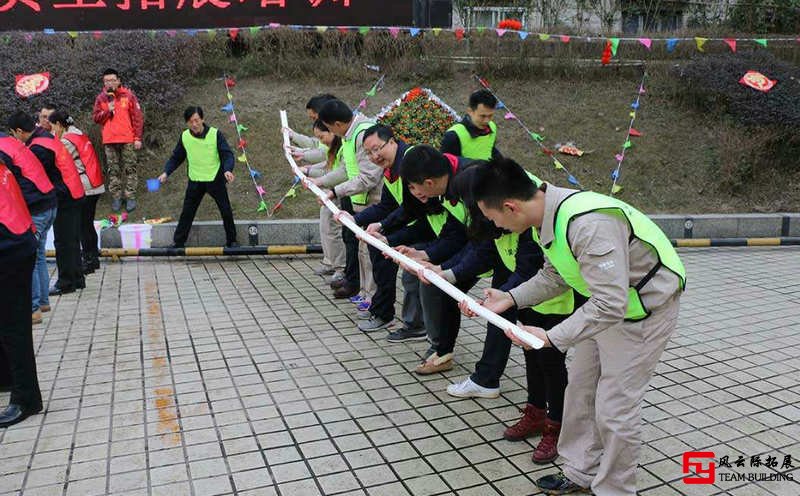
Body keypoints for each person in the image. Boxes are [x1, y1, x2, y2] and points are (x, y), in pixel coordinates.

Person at [467, 159, 685, 496]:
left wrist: (551, 337)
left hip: (642, 312)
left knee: (614, 406)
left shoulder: (588, 223)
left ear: (510, 207)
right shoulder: (546, 219)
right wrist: (509, 298)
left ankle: (614, 489)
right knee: (580, 391)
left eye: (492, 217)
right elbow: (555, 275)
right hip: (603, 309)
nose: (494, 225)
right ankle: (581, 472)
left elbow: (611, 303)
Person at [337, 125, 433, 336]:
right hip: (411, 223)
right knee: (379, 254)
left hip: (427, 226)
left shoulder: (411, 163)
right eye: (369, 152)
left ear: (392, 141)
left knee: (412, 277)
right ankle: (383, 313)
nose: (374, 156)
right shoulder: (390, 169)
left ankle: (416, 326)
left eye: (377, 149)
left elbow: (410, 209)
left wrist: (384, 229)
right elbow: (387, 206)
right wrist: (355, 219)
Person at [394, 146, 480, 374]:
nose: (413, 193)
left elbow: (483, 243)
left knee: (504, 315)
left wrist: (443, 269)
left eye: (413, 186)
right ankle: (442, 353)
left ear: (428, 183)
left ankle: (487, 378)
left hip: (515, 253)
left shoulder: (471, 182)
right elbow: (457, 230)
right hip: (488, 248)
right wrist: (423, 256)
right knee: (441, 287)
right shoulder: (449, 185)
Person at [8, 111, 85, 296]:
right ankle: (77, 278)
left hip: (64, 193)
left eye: (12, 134)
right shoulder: (44, 136)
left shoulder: (37, 148)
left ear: (19, 131)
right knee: (72, 238)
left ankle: (66, 281)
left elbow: (36, 176)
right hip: (73, 188)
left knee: (63, 241)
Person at [312, 100, 382, 300]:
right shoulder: (349, 136)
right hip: (358, 200)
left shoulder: (363, 135)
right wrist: (326, 184)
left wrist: (335, 191)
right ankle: (365, 293)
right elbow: (346, 168)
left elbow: (369, 177)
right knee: (361, 251)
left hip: (373, 202)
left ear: (335, 125)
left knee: (369, 254)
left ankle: (372, 299)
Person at [0, 160, 43, 428]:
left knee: (13, 327)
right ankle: (6, 379)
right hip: (18, 237)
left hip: (10, 247)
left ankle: (26, 398)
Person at [158, 106, 238, 249]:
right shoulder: (185, 137)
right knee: (187, 212)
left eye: (196, 120)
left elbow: (227, 154)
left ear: (202, 119)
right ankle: (178, 242)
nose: (194, 124)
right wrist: (166, 173)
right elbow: (176, 157)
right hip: (195, 180)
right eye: (190, 122)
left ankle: (232, 241)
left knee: (225, 210)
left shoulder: (215, 134)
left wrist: (227, 170)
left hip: (215, 178)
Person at [0, 129, 57, 324]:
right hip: (48, 201)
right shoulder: (13, 144)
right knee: (39, 255)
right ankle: (42, 302)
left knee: (31, 259)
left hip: (32, 208)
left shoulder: (3, 152)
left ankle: (33, 308)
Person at [48, 110, 105, 275]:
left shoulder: (66, 141)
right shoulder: (79, 134)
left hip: (85, 185)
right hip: (95, 183)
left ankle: (89, 259)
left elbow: (58, 160)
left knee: (82, 225)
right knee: (87, 224)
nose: (53, 131)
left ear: (59, 124)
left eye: (53, 127)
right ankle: (93, 258)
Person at [297, 118, 346, 281]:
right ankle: (332, 262)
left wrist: (314, 176)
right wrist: (308, 170)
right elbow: (327, 165)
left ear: (333, 129)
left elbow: (338, 172)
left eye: (322, 137)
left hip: (341, 192)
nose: (321, 142)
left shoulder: (343, 146)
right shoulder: (334, 147)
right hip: (332, 191)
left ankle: (340, 267)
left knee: (334, 231)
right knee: (326, 228)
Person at [92, 68, 144, 213]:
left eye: (112, 80)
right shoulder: (101, 98)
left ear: (118, 80)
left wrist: (137, 138)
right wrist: (107, 110)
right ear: (104, 82)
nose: (110, 83)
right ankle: (116, 197)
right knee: (113, 170)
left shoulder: (128, 95)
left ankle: (130, 196)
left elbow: (137, 118)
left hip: (127, 138)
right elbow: (96, 118)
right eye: (107, 81)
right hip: (109, 140)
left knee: (130, 168)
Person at [440, 89, 502, 161]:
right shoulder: (453, 136)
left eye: (490, 115)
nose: (487, 121)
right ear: (470, 111)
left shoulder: (492, 126)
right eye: (482, 116)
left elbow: (490, 149)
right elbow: (445, 167)